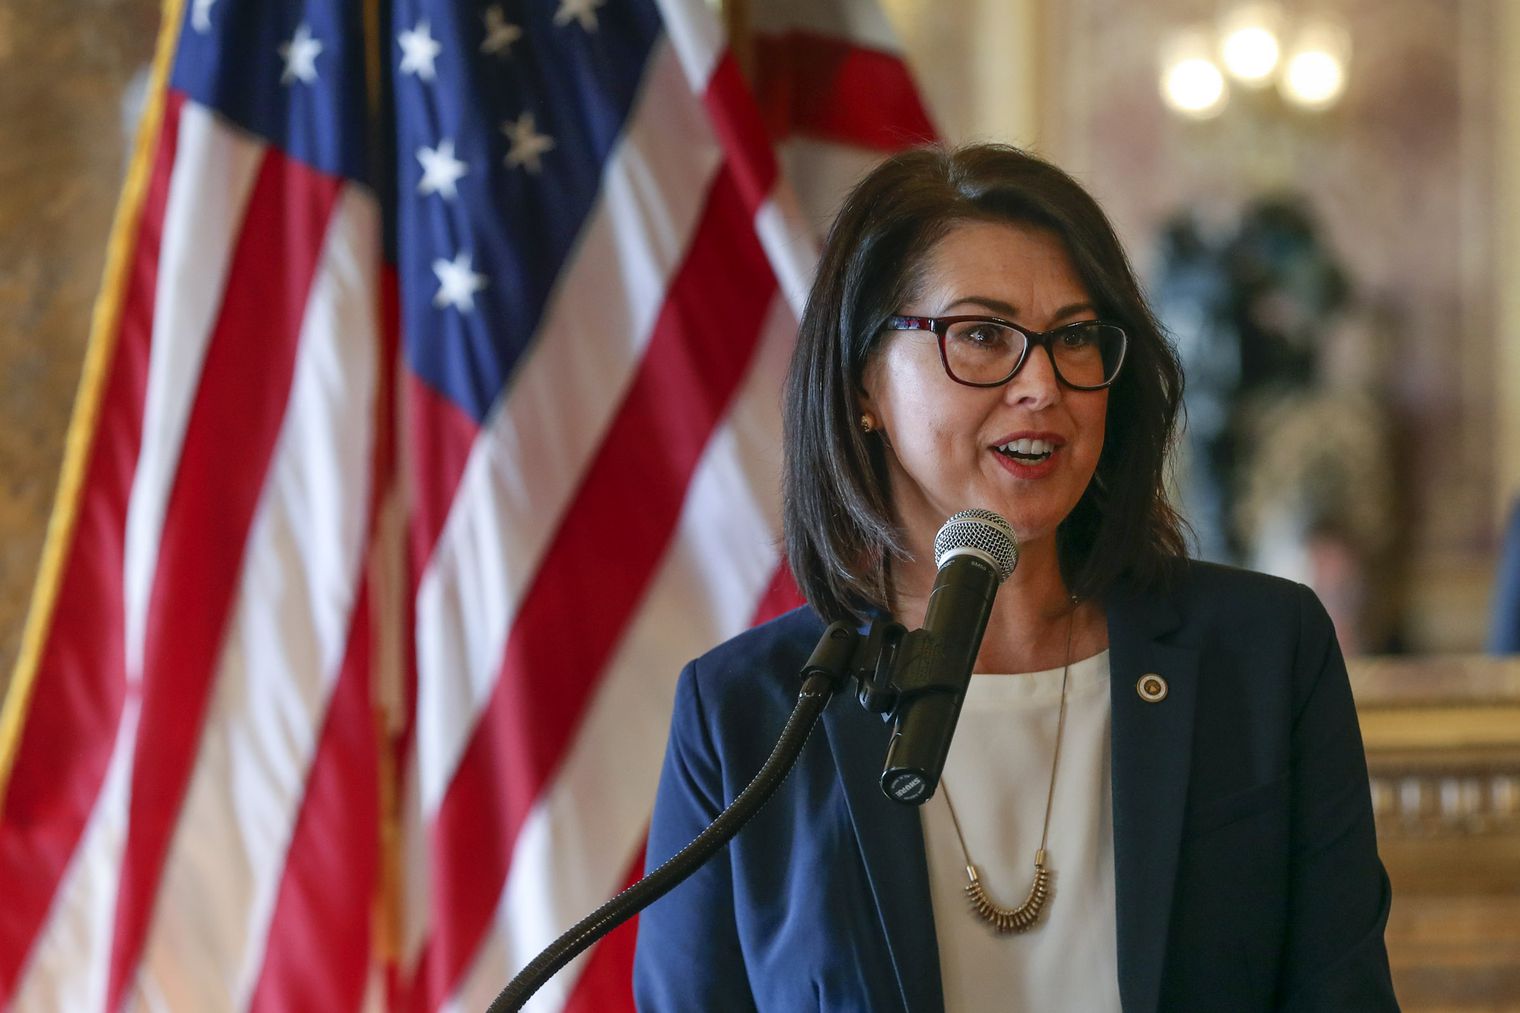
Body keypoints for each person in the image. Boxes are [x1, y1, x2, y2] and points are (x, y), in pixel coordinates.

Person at [633, 144, 1398, 1011]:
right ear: (862, 386)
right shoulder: (745, 712)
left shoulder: (1263, 652)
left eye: (1074, 336)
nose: (1043, 383)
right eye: (982, 335)